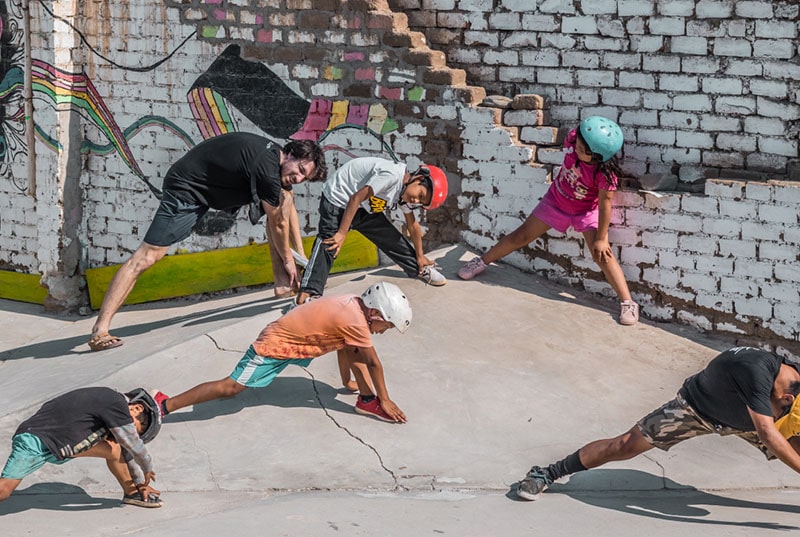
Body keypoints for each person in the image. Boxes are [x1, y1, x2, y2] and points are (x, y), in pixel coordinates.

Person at [88, 132, 327, 351]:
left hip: (205, 189)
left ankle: (283, 285)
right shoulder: (267, 168)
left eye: (305, 177)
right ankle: (100, 330)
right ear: (292, 154)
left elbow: (287, 208)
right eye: (301, 170)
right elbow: (278, 223)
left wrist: (301, 258)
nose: (299, 178)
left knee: (283, 197)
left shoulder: (275, 159)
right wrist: (288, 259)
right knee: (147, 256)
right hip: (186, 191)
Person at [514, 347, 800, 501]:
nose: (780, 417)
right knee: (623, 445)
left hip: (744, 418)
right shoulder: (755, 373)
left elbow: (777, 422)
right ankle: (547, 473)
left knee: (795, 441)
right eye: (781, 411)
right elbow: (766, 431)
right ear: (784, 396)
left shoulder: (790, 377)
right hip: (696, 408)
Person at [457, 116, 639, 326]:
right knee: (521, 235)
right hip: (555, 201)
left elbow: (606, 204)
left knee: (602, 255)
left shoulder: (604, 175)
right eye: (578, 144)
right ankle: (482, 261)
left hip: (585, 212)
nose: (577, 149)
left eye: (582, 150)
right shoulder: (574, 140)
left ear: (597, 157)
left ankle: (628, 302)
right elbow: (575, 140)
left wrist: (602, 237)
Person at [151, 281, 412, 423]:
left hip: (293, 340)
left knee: (354, 345)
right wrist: (385, 399)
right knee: (230, 389)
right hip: (275, 343)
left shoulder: (355, 308)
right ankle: (165, 404)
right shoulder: (355, 320)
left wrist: (346, 383)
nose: (383, 330)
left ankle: (366, 401)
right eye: (386, 325)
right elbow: (374, 364)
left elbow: (347, 349)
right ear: (376, 313)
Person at [294, 157, 448, 306]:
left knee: (390, 237)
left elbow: (413, 226)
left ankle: (418, 269)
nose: (416, 201)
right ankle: (307, 295)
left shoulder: (406, 193)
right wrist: (342, 233)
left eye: (421, 202)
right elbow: (355, 198)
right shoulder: (392, 176)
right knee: (331, 243)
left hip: (362, 207)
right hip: (339, 200)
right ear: (418, 178)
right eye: (420, 195)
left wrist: (420, 256)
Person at [0, 387, 163, 508]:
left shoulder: (107, 407)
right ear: (137, 408)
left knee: (113, 449)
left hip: (57, 442)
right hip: (36, 440)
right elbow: (133, 444)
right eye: (134, 428)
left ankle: (133, 492)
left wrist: (141, 483)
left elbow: (125, 448)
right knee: (4, 490)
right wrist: (147, 467)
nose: (130, 433)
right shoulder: (116, 402)